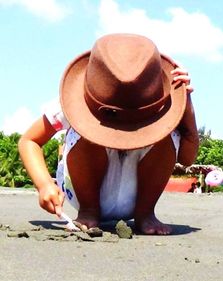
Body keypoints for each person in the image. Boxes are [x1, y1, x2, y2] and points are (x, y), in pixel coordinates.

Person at [18, 33, 199, 235]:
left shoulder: (167, 106)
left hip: (137, 197)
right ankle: (89, 210)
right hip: (83, 192)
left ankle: (146, 213)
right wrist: (44, 185)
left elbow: (187, 159)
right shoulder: (75, 103)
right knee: (84, 131)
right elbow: (29, 141)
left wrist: (185, 105)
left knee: (169, 135)